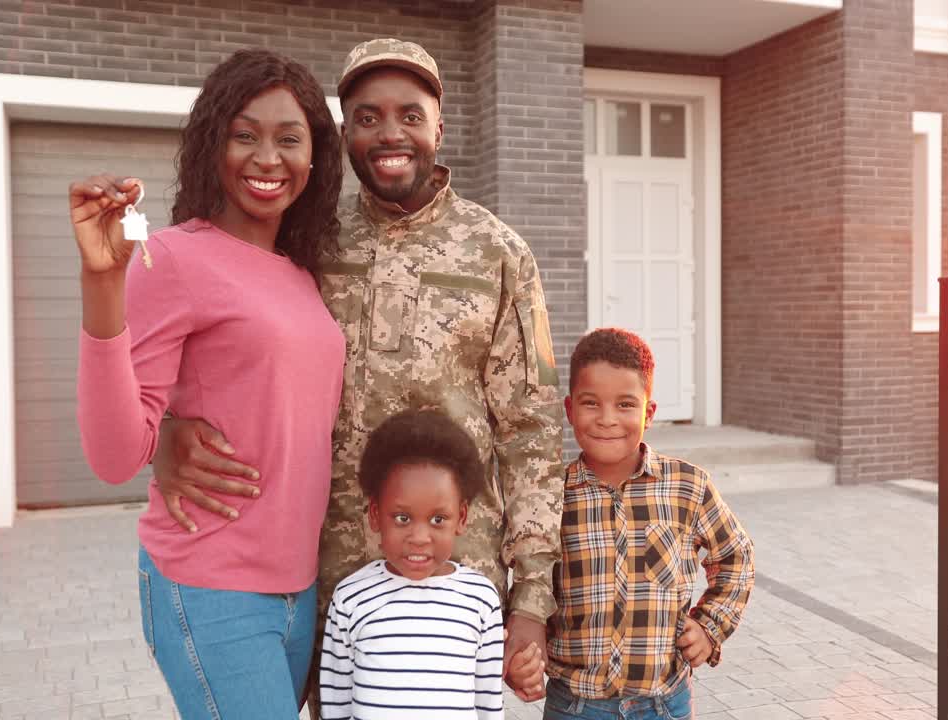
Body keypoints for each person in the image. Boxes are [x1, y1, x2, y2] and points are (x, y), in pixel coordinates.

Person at [145, 38, 564, 710]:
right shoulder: (307, 244)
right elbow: (211, 344)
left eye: (409, 114)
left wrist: (532, 601)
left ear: (439, 127)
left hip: (453, 581)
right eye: (367, 117)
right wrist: (160, 432)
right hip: (324, 576)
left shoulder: (502, 254)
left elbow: (533, 432)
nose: (390, 133)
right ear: (344, 135)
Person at [71, 48, 346, 719]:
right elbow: (112, 456)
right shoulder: (173, 257)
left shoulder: (302, 274)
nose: (267, 158)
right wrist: (103, 283)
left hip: (298, 590)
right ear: (212, 143)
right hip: (210, 583)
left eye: (289, 139)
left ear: (314, 159)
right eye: (244, 134)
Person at [541, 328, 755, 719]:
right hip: (575, 704)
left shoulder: (688, 486)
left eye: (625, 405)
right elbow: (529, 580)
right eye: (592, 404)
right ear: (570, 410)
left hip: (663, 703)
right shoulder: (552, 494)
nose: (607, 420)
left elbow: (736, 556)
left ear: (649, 413)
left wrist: (710, 627)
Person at [321, 409, 506, 719]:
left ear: (460, 518)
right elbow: (335, 705)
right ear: (376, 515)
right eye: (403, 518)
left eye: (438, 519)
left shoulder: (481, 600)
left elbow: (489, 706)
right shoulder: (350, 598)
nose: (419, 537)